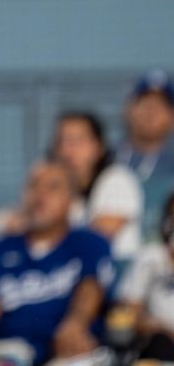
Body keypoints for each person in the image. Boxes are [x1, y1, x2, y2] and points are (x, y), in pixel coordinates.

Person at [0, 162, 115, 366]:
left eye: (53, 187)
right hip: (10, 359)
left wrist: (76, 323)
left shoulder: (89, 243)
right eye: (33, 186)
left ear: (71, 199)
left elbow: (91, 287)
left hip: (68, 359)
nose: (40, 195)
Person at [49, 111, 143, 261]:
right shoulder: (57, 192)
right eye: (61, 141)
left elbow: (96, 238)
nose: (67, 151)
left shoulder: (117, 179)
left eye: (77, 141)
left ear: (98, 147)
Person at [113, 193, 174, 366]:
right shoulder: (151, 258)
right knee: (159, 343)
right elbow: (127, 312)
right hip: (161, 346)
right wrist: (156, 326)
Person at [116, 71, 174, 241]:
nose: (151, 111)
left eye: (160, 105)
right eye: (144, 103)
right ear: (128, 110)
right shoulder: (104, 159)